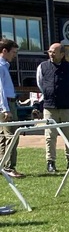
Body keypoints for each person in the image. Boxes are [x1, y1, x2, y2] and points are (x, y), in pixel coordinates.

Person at [36, 40, 69, 174]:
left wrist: (65, 95)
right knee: (50, 136)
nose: (51, 54)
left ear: (62, 54)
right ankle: (50, 162)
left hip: (67, 107)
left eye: (54, 52)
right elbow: (40, 84)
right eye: (49, 51)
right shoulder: (42, 67)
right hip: (49, 107)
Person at [0, 38, 23, 178]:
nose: (14, 55)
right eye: (13, 52)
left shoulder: (4, 66)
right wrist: (5, 108)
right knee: (12, 136)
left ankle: (2, 165)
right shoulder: (1, 67)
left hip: (7, 103)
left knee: (2, 137)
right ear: (4, 51)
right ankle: (9, 167)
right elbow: (1, 90)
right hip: (6, 105)